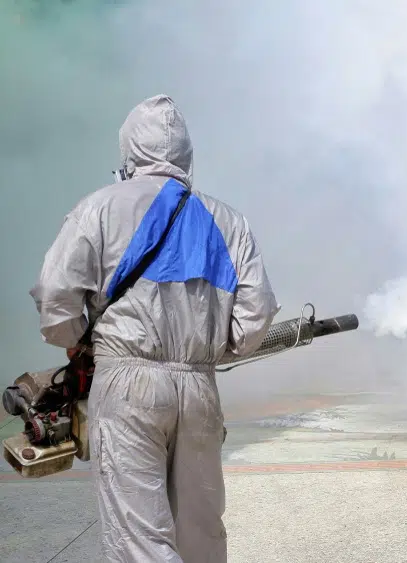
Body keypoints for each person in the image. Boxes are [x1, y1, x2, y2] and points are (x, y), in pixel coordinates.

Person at [29, 94, 281, 563]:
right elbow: (254, 319)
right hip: (199, 387)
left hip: (128, 385)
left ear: (128, 151)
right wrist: (204, 354)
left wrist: (78, 342)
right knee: (201, 531)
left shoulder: (100, 208)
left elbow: (54, 296)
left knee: (139, 537)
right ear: (187, 153)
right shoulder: (228, 221)